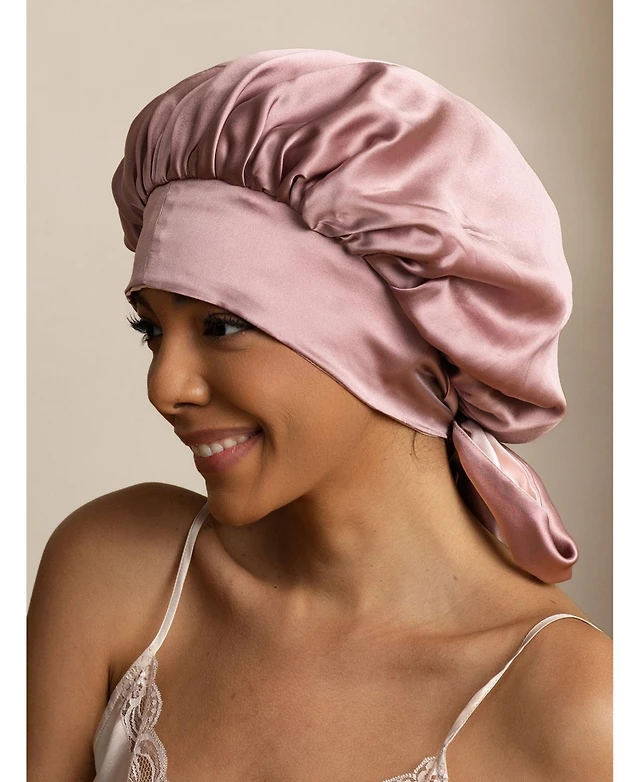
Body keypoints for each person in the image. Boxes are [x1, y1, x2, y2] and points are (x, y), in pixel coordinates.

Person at [27, 49, 612, 782]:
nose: (164, 386)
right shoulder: (117, 573)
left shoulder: (573, 709)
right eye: (151, 329)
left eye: (220, 325)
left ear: (389, 342)